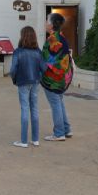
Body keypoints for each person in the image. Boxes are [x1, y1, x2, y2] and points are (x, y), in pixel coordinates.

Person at [40, 13, 73, 141]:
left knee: (55, 104)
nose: (45, 23)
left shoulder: (52, 39)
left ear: (51, 24)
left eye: (46, 20)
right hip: (62, 78)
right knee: (59, 102)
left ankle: (59, 133)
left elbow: (46, 60)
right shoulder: (62, 37)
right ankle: (66, 129)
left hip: (53, 79)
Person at [9, 26, 43, 147]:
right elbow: (43, 68)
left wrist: (14, 79)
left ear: (22, 36)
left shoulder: (18, 51)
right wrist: (38, 78)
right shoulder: (38, 51)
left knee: (25, 109)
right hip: (35, 82)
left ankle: (23, 141)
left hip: (23, 82)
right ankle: (35, 139)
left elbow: (12, 70)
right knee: (34, 108)